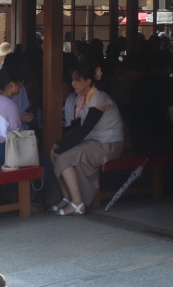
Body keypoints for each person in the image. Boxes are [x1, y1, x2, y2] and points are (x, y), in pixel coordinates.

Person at [49, 63, 124, 216]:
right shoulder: (83, 99)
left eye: (77, 80)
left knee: (63, 158)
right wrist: (61, 144)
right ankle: (68, 197)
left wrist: (65, 147)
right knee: (54, 152)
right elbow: (78, 127)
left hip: (108, 144)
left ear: (88, 81)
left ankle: (78, 204)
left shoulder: (99, 98)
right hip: (94, 142)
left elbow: (85, 129)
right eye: (72, 80)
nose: (72, 84)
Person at [0, 66, 24, 166]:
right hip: (0, 150)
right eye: (19, 83)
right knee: (42, 159)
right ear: (11, 84)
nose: (21, 85)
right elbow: (16, 134)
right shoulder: (10, 105)